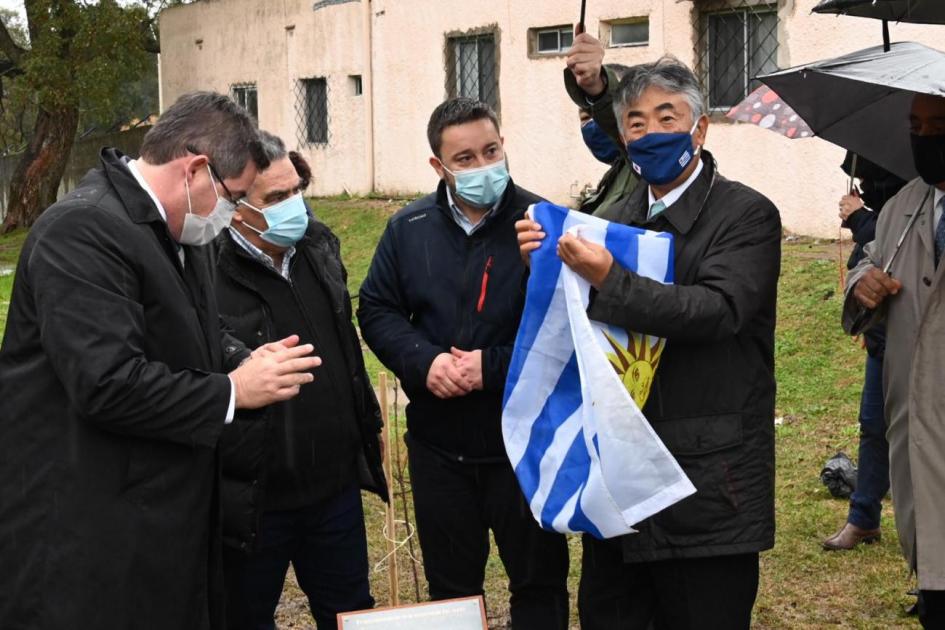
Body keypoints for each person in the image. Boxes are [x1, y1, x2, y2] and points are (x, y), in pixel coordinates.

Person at [0, 92, 321, 630]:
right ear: (196, 169)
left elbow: (195, 328)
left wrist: (245, 358)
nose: (235, 213)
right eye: (235, 195)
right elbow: (106, 381)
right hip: (92, 531)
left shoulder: (177, 228)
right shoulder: (81, 231)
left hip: (161, 518)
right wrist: (233, 392)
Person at [519, 47, 781, 629]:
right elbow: (575, 323)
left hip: (707, 484)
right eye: (636, 122)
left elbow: (717, 310)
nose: (653, 132)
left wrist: (611, 279)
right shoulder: (611, 216)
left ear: (699, 126)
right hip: (617, 482)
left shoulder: (746, 215)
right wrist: (542, 265)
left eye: (668, 117)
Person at [357, 97, 570, 629]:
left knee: (539, 584)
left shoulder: (540, 223)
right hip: (439, 450)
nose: (482, 167)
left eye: (491, 151)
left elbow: (563, 330)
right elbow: (378, 309)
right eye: (466, 159)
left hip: (524, 446)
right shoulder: (409, 228)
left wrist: (491, 367)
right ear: (440, 166)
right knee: (451, 593)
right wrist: (423, 362)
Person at [211, 131, 387, 630]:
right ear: (237, 207)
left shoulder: (318, 245)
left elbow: (345, 345)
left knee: (349, 613)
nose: (296, 206)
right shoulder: (206, 270)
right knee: (244, 617)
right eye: (277, 197)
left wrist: (365, 419)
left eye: (297, 189)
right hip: (254, 498)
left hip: (333, 489)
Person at [843, 93, 945, 629]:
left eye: (938, 125)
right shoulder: (905, 204)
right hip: (916, 424)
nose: (925, 138)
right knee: (933, 569)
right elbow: (865, 266)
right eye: (916, 126)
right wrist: (863, 287)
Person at [823, 154, 905, 551]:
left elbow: (900, 245)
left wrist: (859, 218)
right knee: (873, 424)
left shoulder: (921, 192)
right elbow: (872, 258)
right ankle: (863, 518)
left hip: (922, 336)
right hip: (883, 335)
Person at [574, 62, 640, 216]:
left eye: (603, 111)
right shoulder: (616, 174)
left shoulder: (647, 171)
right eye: (586, 117)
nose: (595, 123)